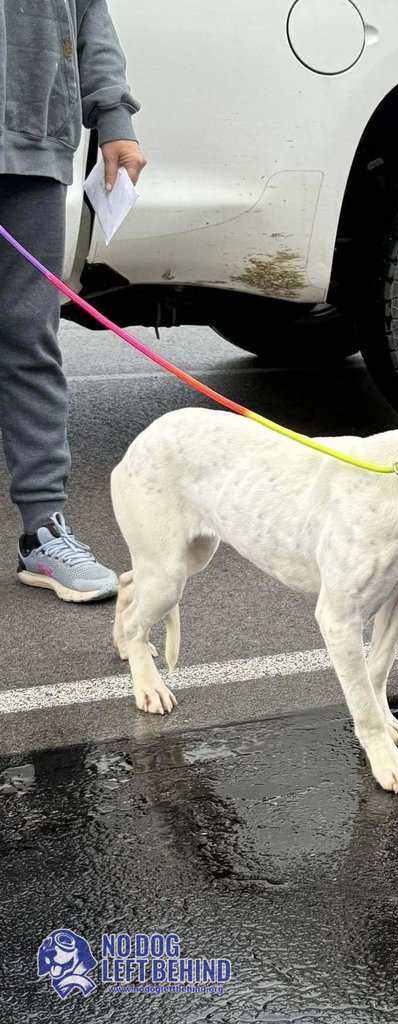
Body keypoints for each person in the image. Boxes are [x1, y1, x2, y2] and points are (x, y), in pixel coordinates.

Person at [1, 0, 145, 603]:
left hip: (33, 142)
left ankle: (43, 533)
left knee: (29, 336)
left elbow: (88, 14)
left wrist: (114, 118)